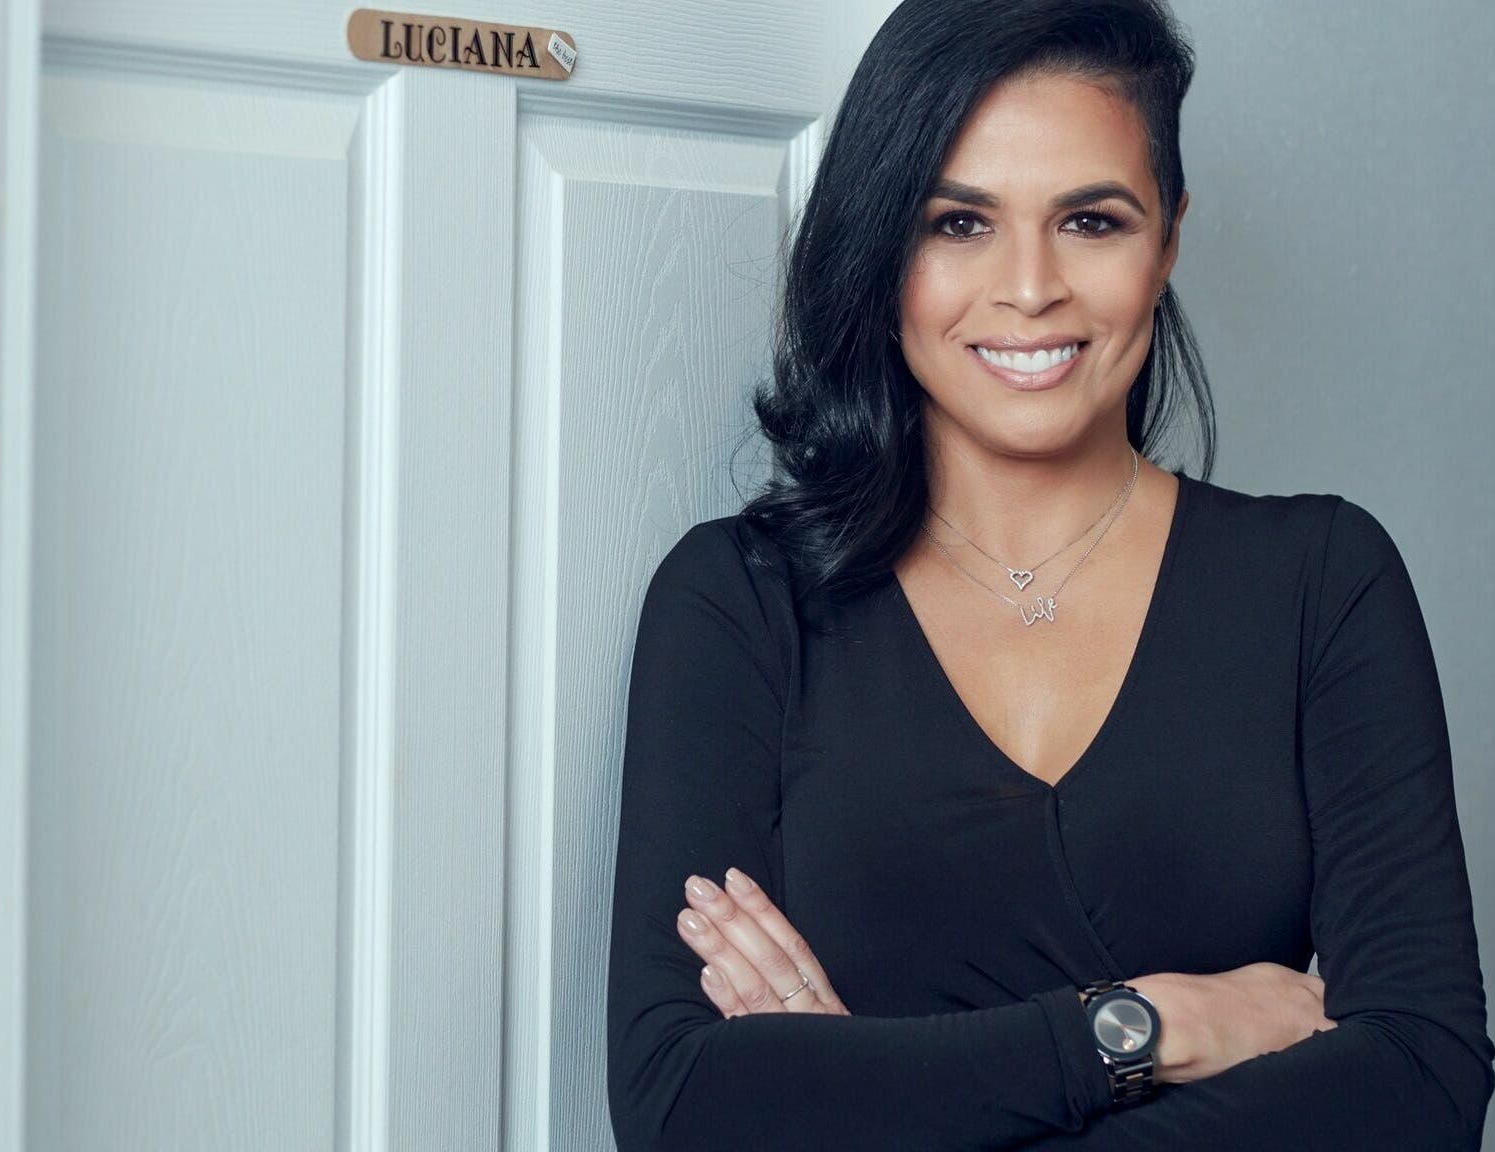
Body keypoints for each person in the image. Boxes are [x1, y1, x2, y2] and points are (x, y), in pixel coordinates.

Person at [603, 0, 1495, 1148]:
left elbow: (1423, 1082)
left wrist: (866, 1095)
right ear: (881, 249)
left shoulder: (1325, 580)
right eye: (958, 224)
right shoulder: (738, 600)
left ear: (1168, 236)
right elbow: (686, 1107)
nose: (1030, 289)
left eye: (1090, 219)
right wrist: (1137, 1029)